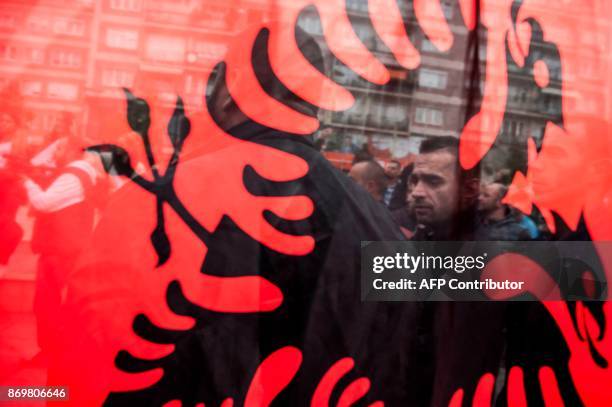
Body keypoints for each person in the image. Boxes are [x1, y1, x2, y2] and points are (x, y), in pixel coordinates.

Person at [408, 136, 508, 406]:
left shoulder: (492, 263)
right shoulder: (414, 245)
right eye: (415, 180)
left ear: (470, 190)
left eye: (433, 181)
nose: (417, 191)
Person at [25, 137, 102, 354]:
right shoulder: (82, 174)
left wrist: (27, 182)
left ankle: (51, 351)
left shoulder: (72, 176)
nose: (53, 153)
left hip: (59, 250)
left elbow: (44, 203)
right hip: (67, 248)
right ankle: (56, 349)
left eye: (58, 148)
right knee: (57, 302)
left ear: (70, 151)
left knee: (47, 303)